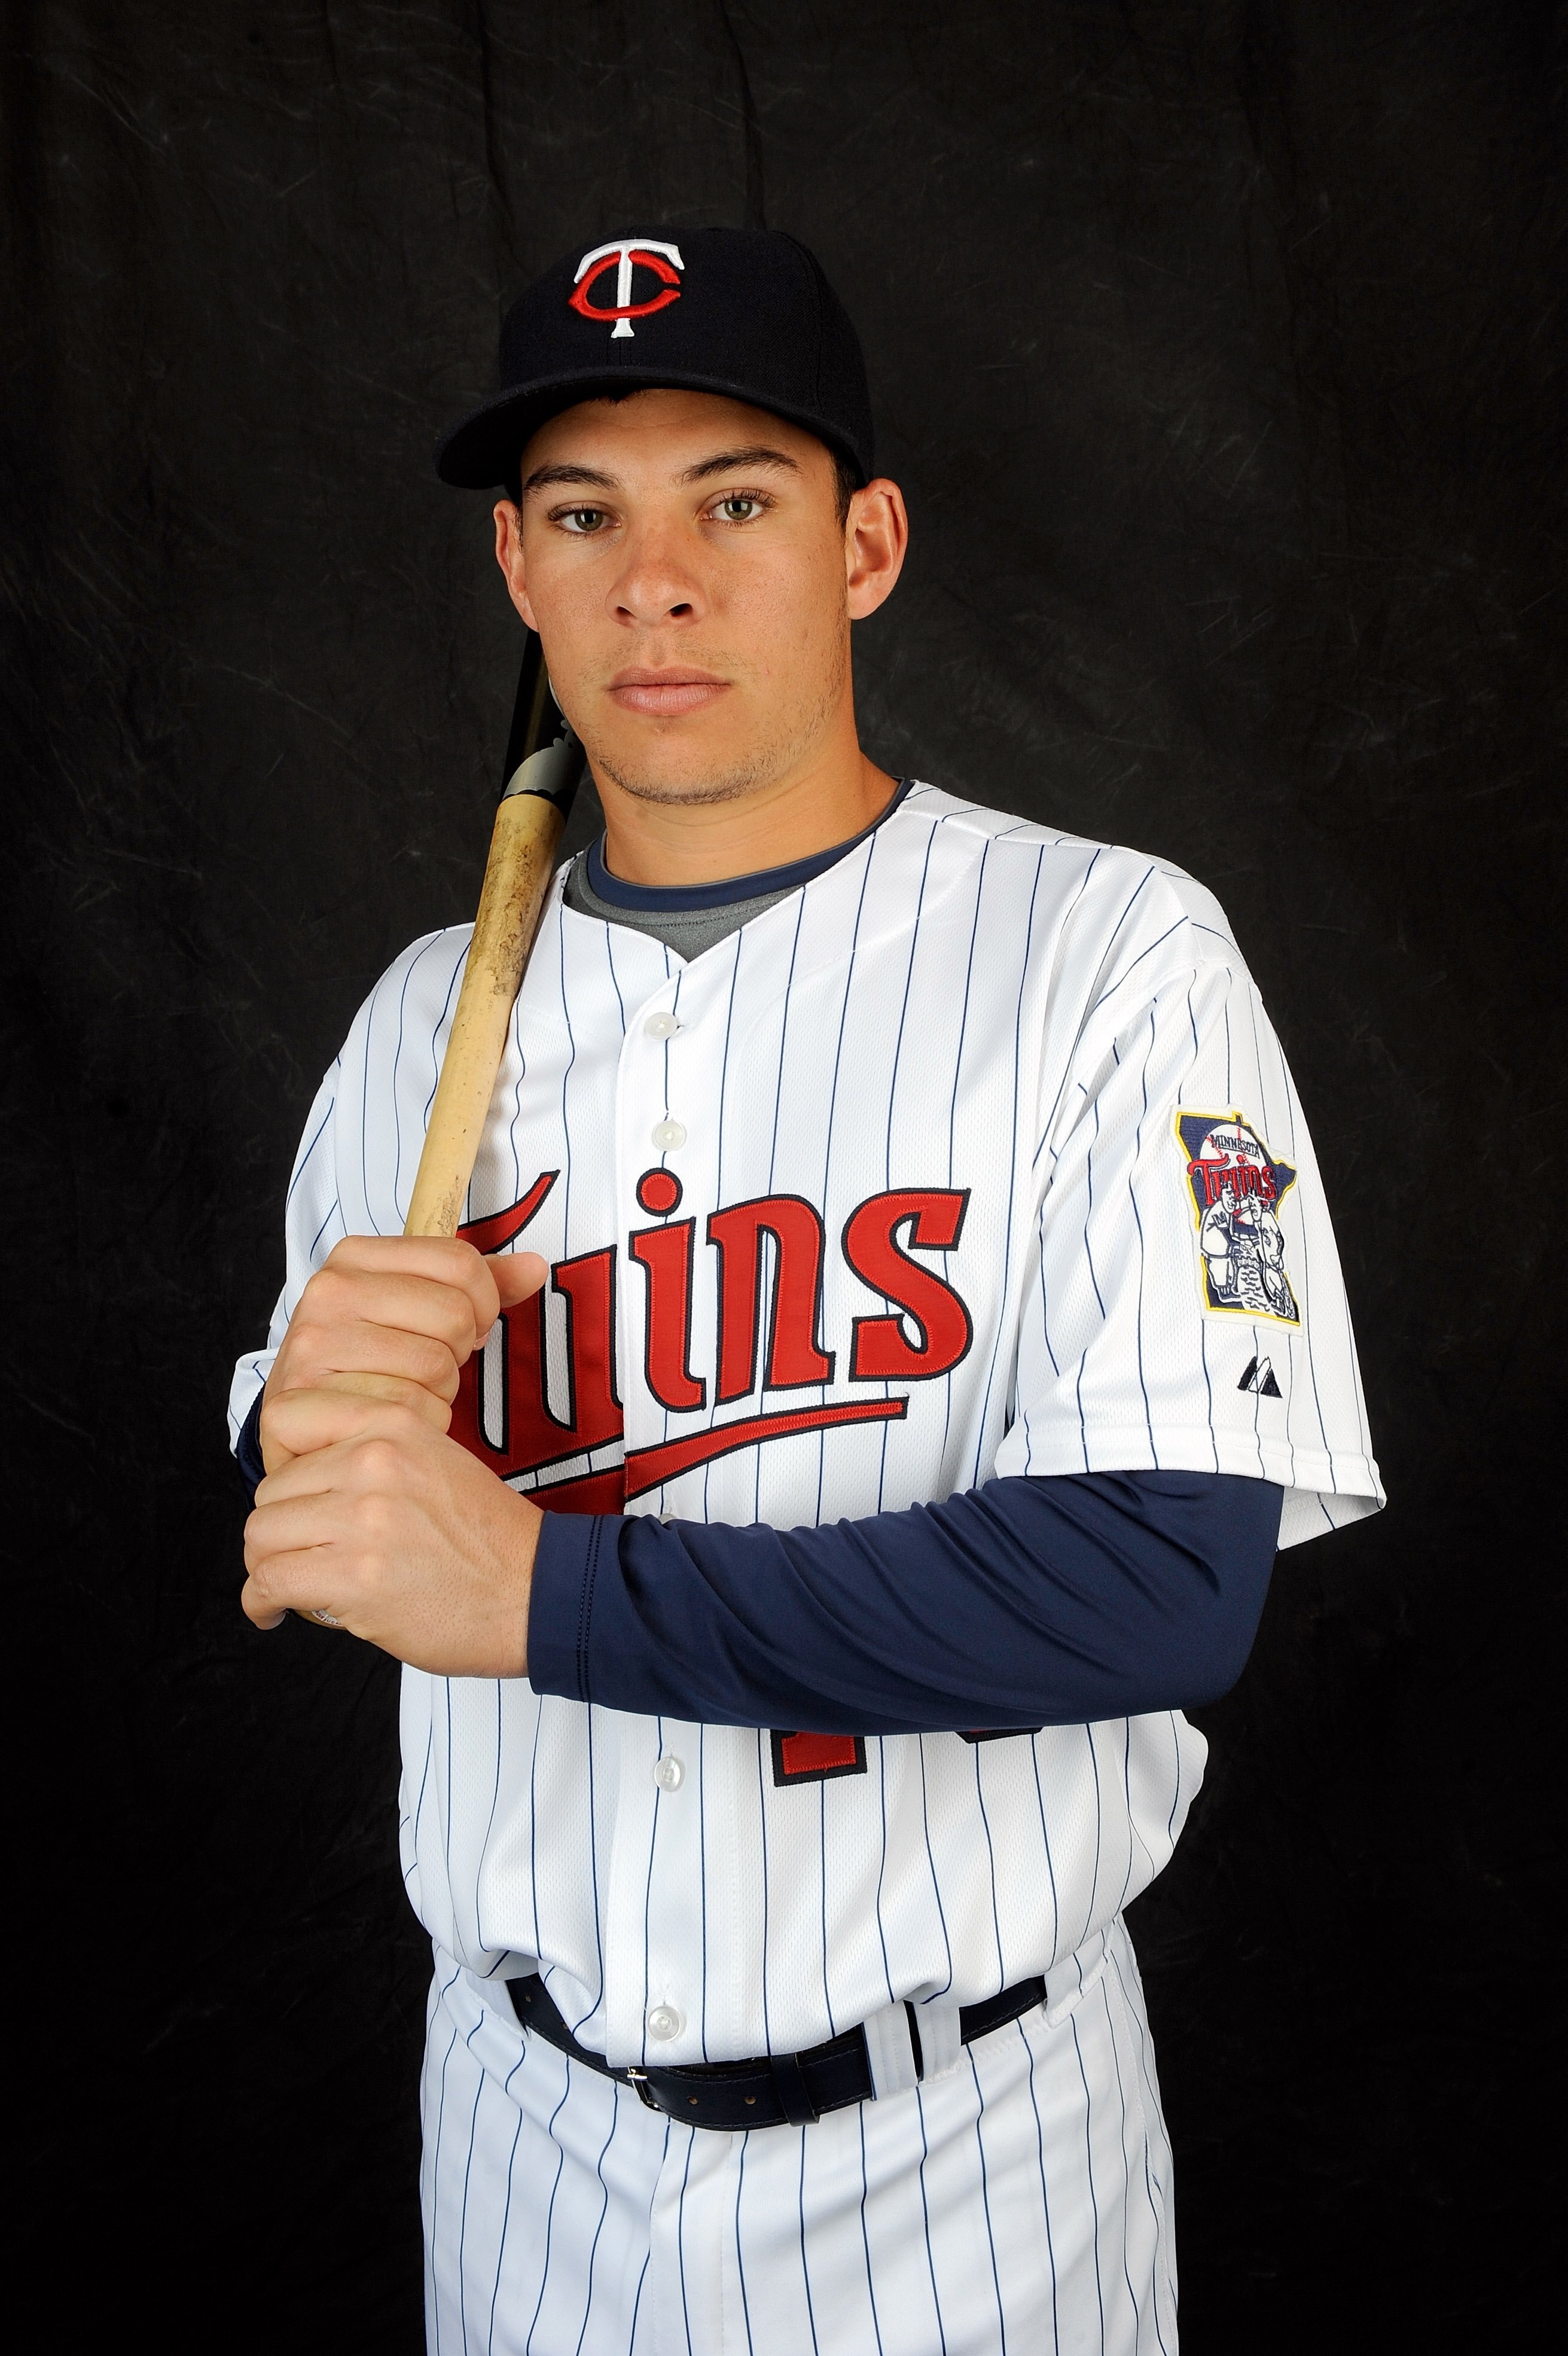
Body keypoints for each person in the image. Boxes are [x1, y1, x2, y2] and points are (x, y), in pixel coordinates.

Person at [231, 227, 1383, 2354]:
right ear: (517, 570)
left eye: (732, 501)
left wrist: (543, 1590)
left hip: (964, 2162)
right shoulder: (418, 1031)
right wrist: (305, 1428)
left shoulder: (1110, 956)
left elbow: (1161, 1580)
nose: (651, 581)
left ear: (866, 543)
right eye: (586, 514)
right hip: (518, 2141)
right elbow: (309, 1516)